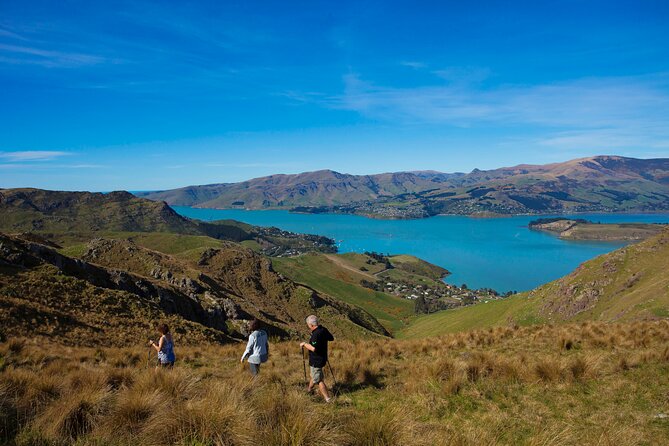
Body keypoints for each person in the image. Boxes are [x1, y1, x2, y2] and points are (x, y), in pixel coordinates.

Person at [299, 315, 334, 402]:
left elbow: (314, 348)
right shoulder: (323, 329)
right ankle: (309, 390)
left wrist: (304, 344)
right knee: (314, 375)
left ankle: (328, 399)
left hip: (316, 360)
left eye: (308, 325)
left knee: (319, 380)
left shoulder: (316, 334)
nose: (308, 326)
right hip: (323, 358)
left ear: (311, 325)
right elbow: (331, 338)